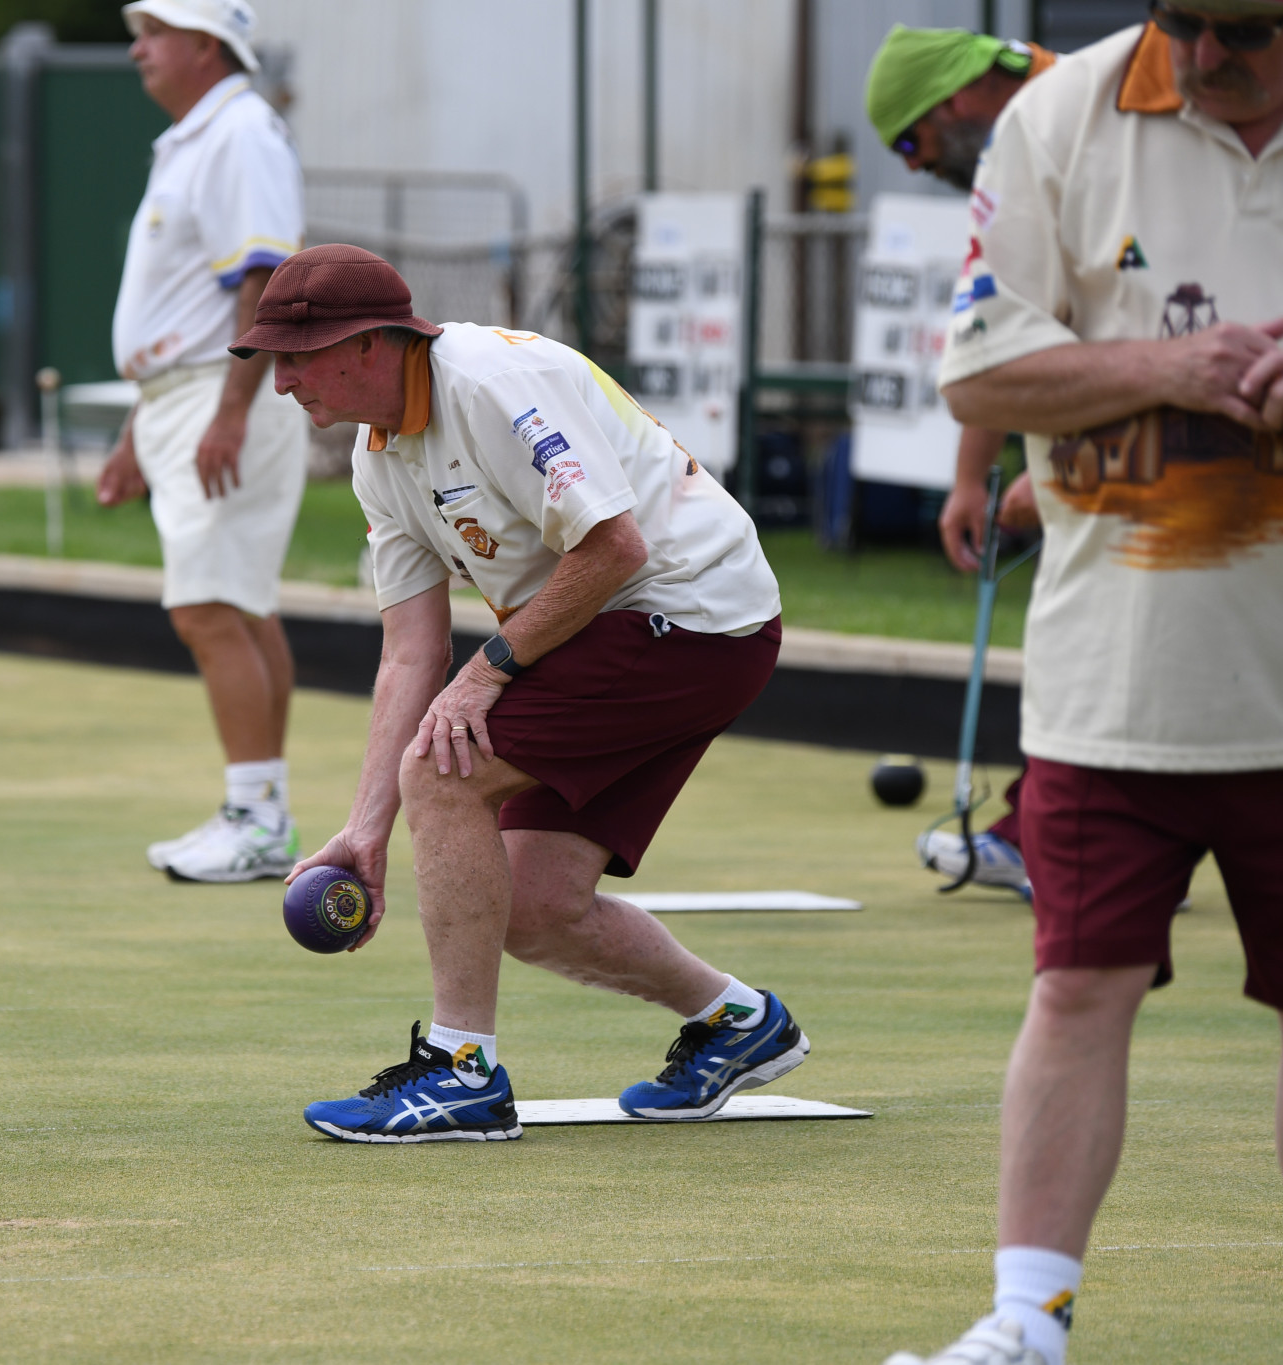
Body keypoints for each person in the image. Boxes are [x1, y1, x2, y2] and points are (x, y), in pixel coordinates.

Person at [884, 5, 1283, 1363]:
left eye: (1249, 30)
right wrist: (1184, 368)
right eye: (1190, 23)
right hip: (1119, 674)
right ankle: (1024, 1324)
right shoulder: (1066, 112)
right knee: (1075, 988)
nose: (1210, 59)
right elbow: (983, 364)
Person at [232, 244, 807, 1142]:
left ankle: (463, 1070)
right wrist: (365, 828)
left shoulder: (491, 384)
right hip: (616, 626)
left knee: (447, 769)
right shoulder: (378, 460)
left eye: (296, 359)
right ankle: (738, 1021)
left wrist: (488, 670)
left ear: (368, 345)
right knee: (532, 906)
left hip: (691, 612)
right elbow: (408, 655)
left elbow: (616, 547)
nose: (280, 384)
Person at [98, 0, 310, 883]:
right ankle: (258, 811)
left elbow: (263, 273)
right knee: (239, 601)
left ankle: (256, 817)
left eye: (152, 31)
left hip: (227, 396)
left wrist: (229, 407)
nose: (138, 48)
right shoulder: (197, 137)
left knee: (210, 607)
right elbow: (183, 306)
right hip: (182, 397)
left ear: (203, 44)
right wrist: (136, 429)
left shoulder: (240, 133)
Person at [866, 25, 1060, 901]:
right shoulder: (1012, 161)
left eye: (911, 140)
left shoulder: (1079, 114)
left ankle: (1068, 846)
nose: (911, 164)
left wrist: (1075, 454)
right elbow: (993, 318)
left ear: (955, 99)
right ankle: (1050, 837)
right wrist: (970, 478)